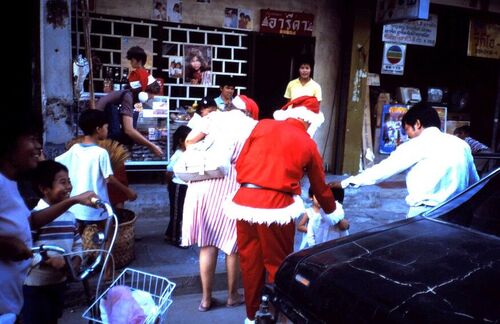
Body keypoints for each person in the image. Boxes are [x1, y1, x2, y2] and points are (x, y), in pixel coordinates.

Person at [224, 95, 335, 323]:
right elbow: (320, 187)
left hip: (245, 202)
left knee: (250, 262)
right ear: (310, 121)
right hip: (278, 207)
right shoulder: (308, 143)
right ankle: (280, 316)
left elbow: (241, 163)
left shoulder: (262, 124)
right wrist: (332, 211)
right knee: (279, 265)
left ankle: (251, 315)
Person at [0, 110, 97, 321]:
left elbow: (30, 222)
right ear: (8, 143)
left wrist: (72, 201)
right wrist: (6, 245)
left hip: (11, 304)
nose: (38, 147)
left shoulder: (10, 184)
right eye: (32, 139)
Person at [180, 95, 259, 312]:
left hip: (203, 181)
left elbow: (188, 142)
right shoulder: (253, 126)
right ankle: (232, 295)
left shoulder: (212, 118)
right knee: (232, 245)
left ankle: (206, 300)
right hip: (232, 184)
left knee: (207, 244)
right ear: (250, 112)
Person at [335, 102, 479, 218]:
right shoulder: (462, 144)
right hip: (459, 213)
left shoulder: (416, 144)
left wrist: (344, 183)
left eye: (407, 130)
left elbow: (382, 170)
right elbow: (475, 183)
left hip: (426, 214)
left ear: (417, 124)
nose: (408, 136)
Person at [21, 160, 83, 324]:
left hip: (59, 283)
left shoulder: (70, 217)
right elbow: (26, 248)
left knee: (52, 318)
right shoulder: (36, 216)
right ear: (44, 189)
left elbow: (77, 244)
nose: (69, 186)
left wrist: (75, 262)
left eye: (69, 181)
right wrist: (47, 261)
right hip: (35, 286)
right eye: (63, 182)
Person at [56, 109, 137, 226]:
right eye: (106, 127)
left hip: (77, 205)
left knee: (80, 239)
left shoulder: (74, 149)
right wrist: (127, 191)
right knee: (106, 235)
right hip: (97, 205)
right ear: (98, 130)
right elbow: (109, 178)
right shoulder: (101, 153)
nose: (107, 131)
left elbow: (57, 161)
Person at [165, 125, 191, 247]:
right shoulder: (178, 155)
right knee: (177, 213)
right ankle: (176, 237)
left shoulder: (186, 153)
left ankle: (170, 234)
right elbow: (169, 171)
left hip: (184, 186)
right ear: (181, 141)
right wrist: (170, 185)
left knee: (181, 212)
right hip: (177, 186)